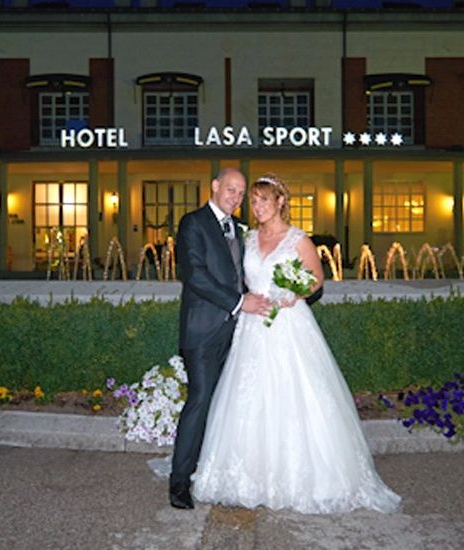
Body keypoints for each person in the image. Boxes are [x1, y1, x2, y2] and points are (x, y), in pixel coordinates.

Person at [191, 173, 401, 514]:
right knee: (248, 397)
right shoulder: (247, 238)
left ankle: (312, 479)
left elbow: (317, 280)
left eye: (264, 200)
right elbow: (236, 276)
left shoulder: (298, 238)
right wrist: (244, 298)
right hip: (252, 325)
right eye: (254, 201)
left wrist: (292, 293)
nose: (257, 207)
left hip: (289, 325)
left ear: (280, 202)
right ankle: (248, 476)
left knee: (295, 394)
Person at [169, 167, 272, 509]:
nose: (236, 198)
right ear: (214, 187)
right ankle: (179, 482)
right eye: (231, 190)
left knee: (226, 405)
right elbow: (194, 274)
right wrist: (241, 302)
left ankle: (210, 470)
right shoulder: (193, 223)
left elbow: (242, 275)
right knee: (199, 400)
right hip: (202, 331)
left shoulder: (240, 229)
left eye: (241, 193)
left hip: (238, 333)